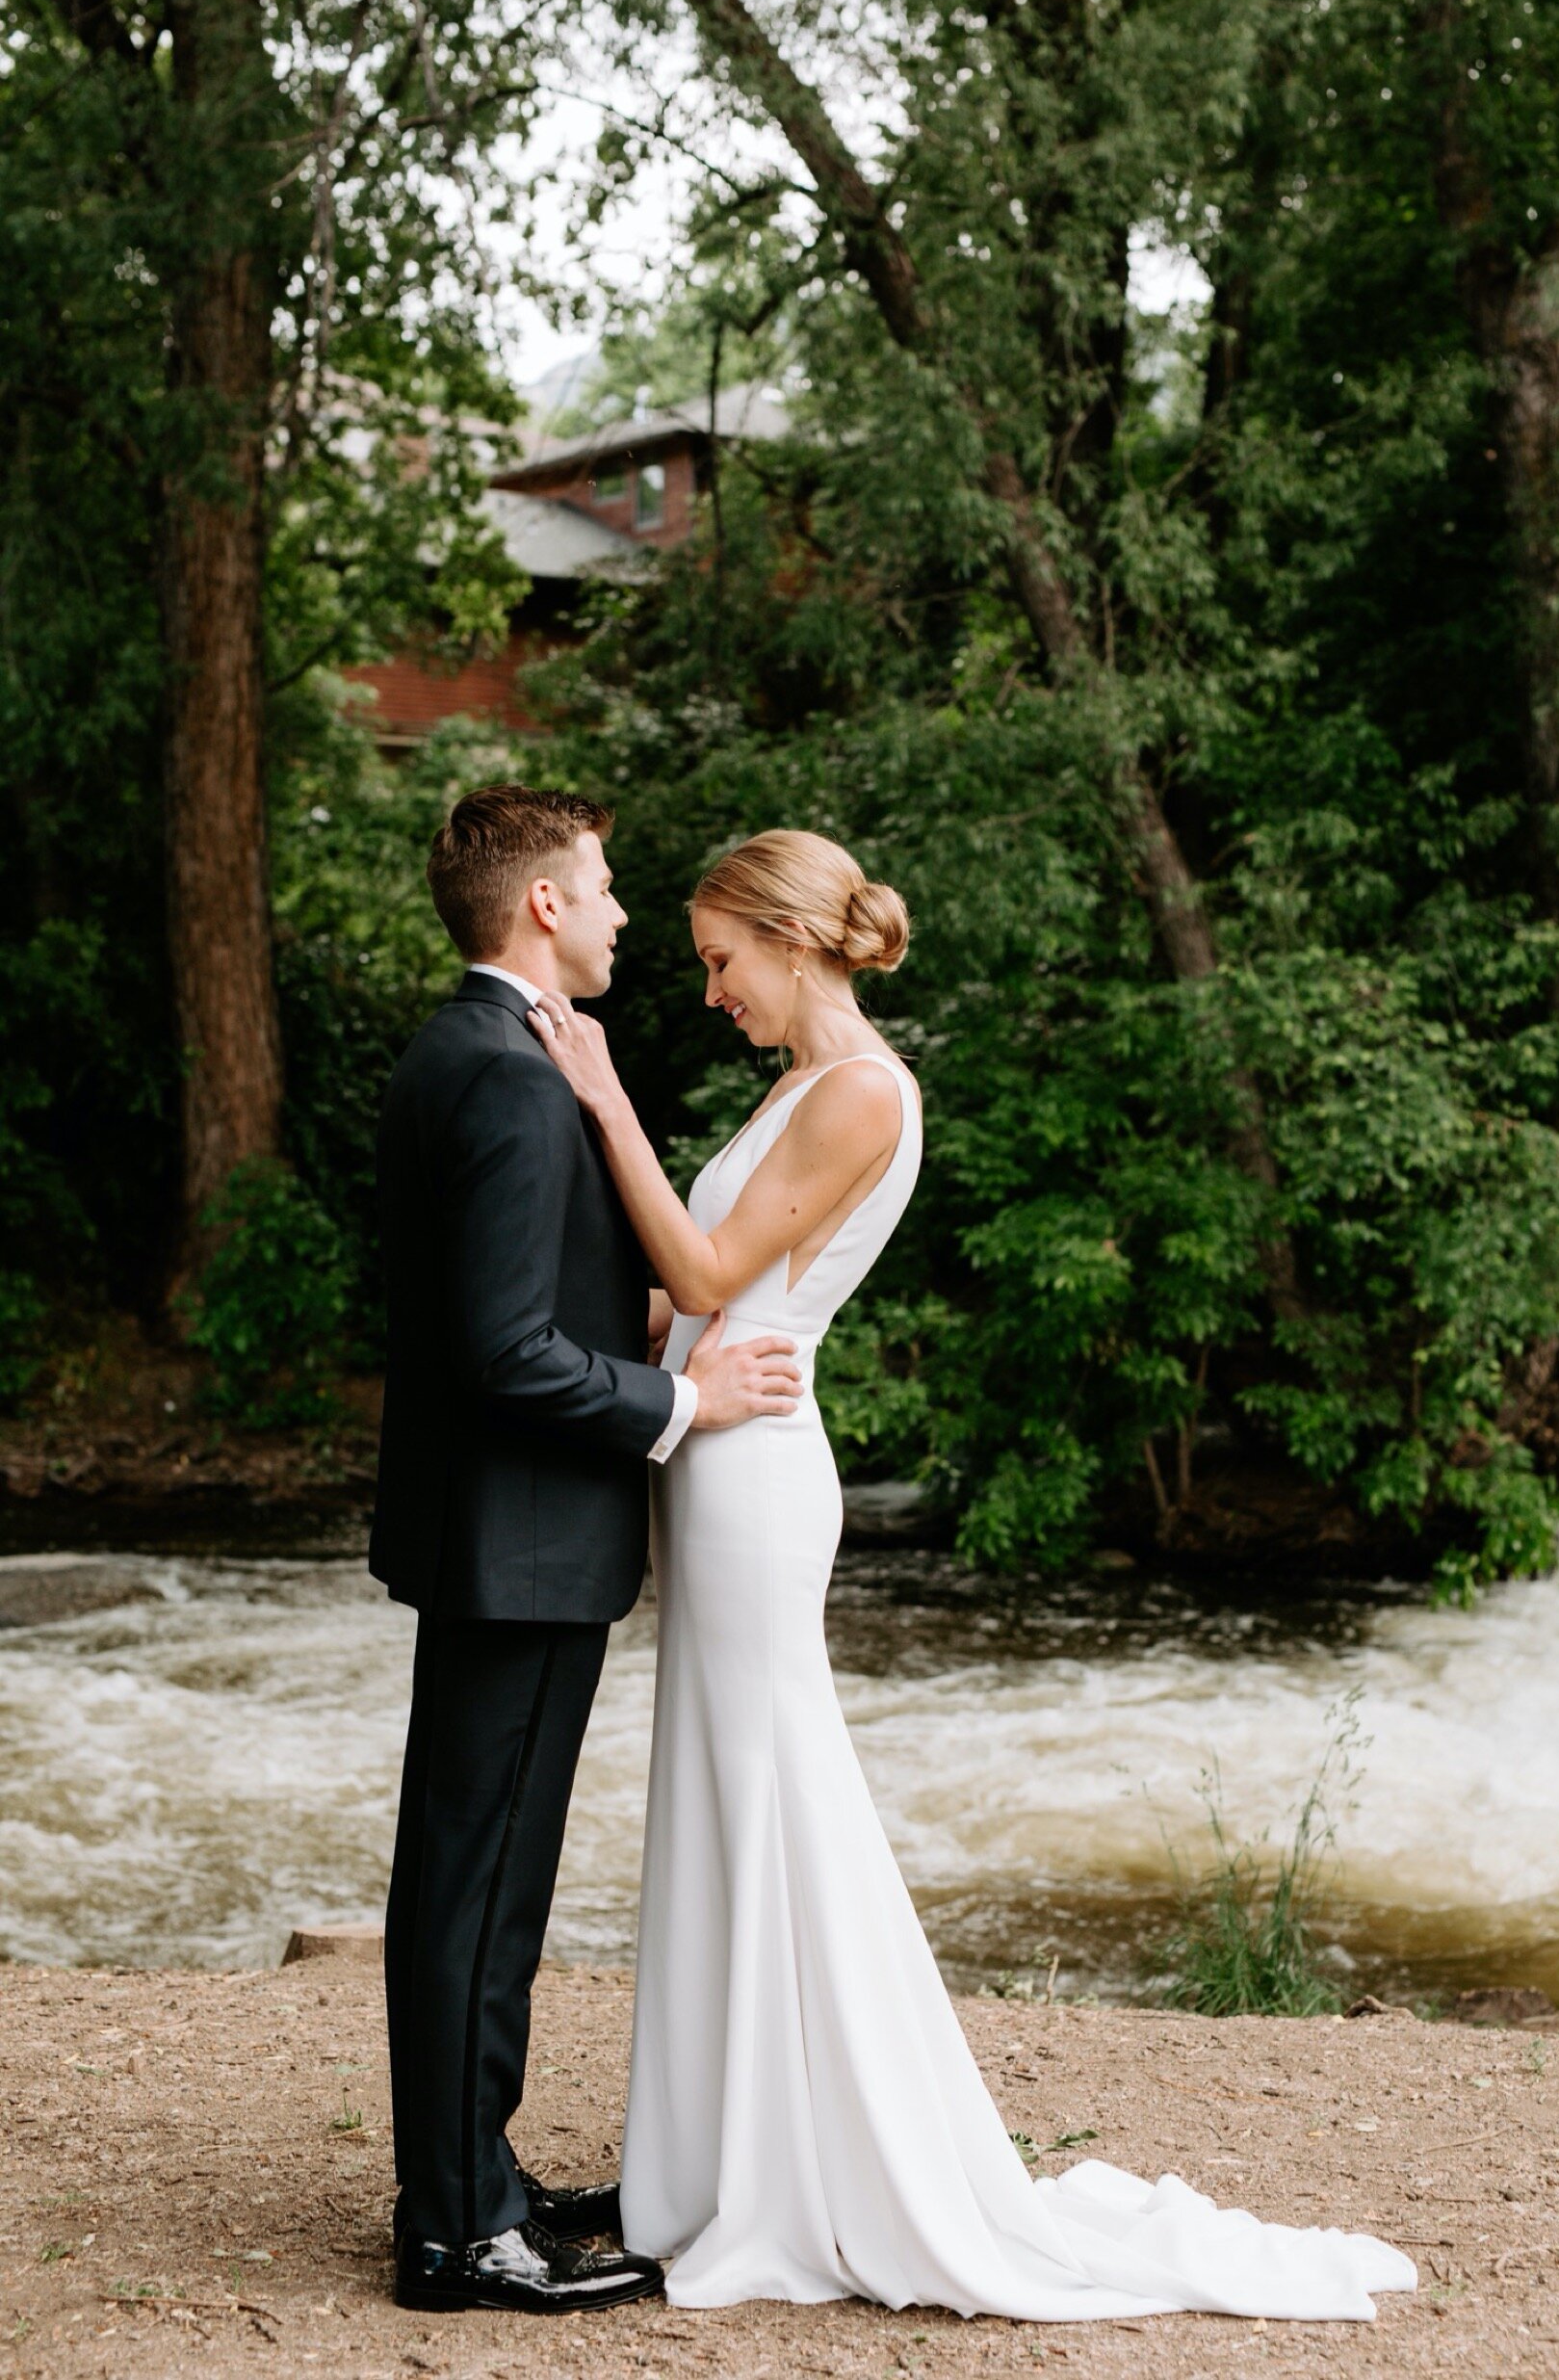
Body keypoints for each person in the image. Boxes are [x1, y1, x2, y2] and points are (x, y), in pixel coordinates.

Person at [531, 825, 1418, 2325]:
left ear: (790, 936)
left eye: (719, 958)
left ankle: (803, 2166)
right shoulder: (811, 1085)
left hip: (754, 1475)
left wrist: (603, 1095)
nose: (708, 988)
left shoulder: (863, 1090)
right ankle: (713, 2160)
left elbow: (702, 1270)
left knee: (772, 1787)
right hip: (717, 1457)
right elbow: (689, 1287)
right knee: (724, 1791)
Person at [372, 785, 803, 2317]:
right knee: (479, 1888)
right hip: (523, 1540)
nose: (621, 912)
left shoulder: (471, 1049)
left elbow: (487, 1304)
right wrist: (681, 1395)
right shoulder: (501, 1073)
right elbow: (499, 1350)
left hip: (501, 1534)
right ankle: (457, 2231)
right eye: (606, 887)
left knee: (470, 1878)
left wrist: (626, 1325)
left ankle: (467, 2180)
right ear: (542, 904)